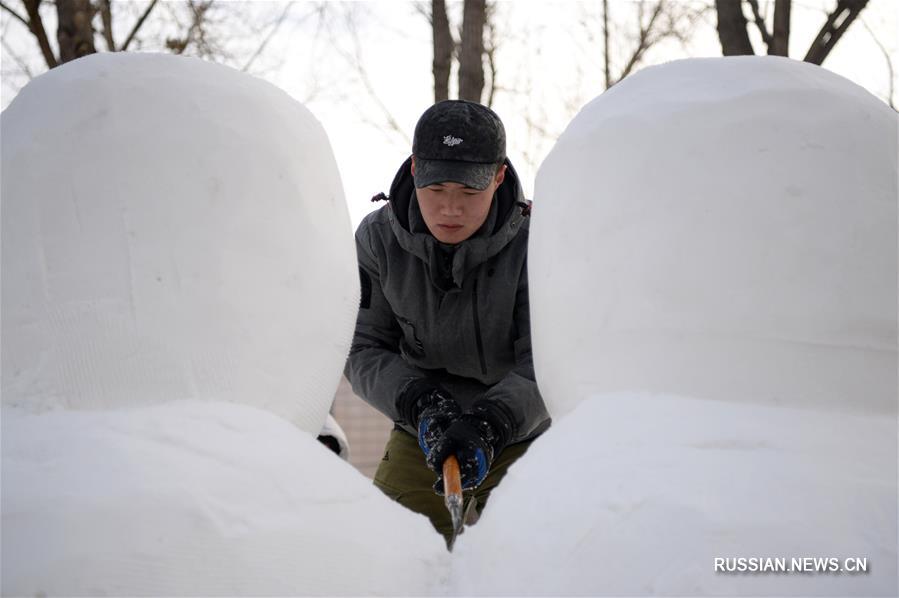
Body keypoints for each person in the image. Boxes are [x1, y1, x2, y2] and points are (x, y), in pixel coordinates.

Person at [344, 100, 550, 544]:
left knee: (533, 552)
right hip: (421, 426)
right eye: (436, 190)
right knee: (387, 550)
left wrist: (493, 421)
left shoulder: (541, 243)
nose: (450, 210)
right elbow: (362, 347)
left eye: (469, 193)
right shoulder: (376, 241)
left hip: (522, 427)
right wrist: (419, 404)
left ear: (498, 177)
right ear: (415, 168)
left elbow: (550, 363)